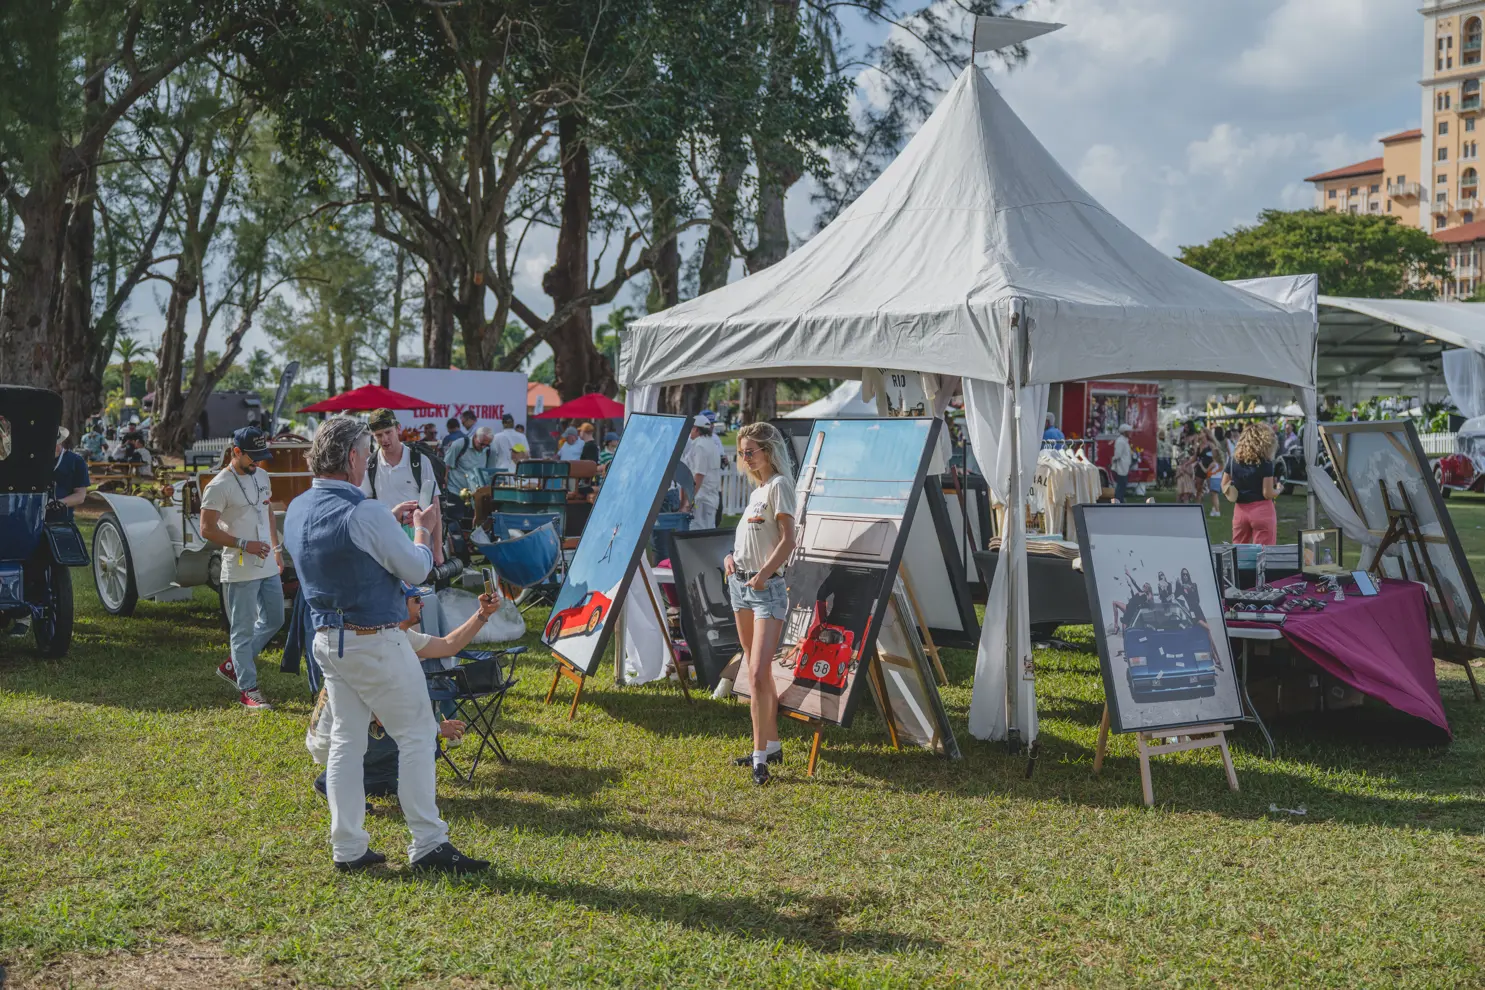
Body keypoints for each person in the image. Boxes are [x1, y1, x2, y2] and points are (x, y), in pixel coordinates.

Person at [283, 415, 487, 874]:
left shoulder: (298, 507)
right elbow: (417, 568)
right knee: (417, 735)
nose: (367, 460)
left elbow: (337, 553)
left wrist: (386, 525)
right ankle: (429, 844)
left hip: (328, 638)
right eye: (364, 452)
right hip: (373, 638)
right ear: (352, 458)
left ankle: (348, 846)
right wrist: (421, 529)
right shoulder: (366, 511)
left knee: (346, 741)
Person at [309, 584, 503, 801]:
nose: (423, 605)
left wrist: (483, 614)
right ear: (397, 606)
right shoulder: (375, 645)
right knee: (424, 741)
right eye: (416, 600)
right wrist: (436, 729)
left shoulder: (395, 633)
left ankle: (376, 780)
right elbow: (384, 716)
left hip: (352, 730)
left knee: (424, 740)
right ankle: (331, 782)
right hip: (337, 740)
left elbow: (448, 645)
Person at [723, 422, 797, 786]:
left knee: (755, 672)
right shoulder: (758, 490)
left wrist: (764, 574)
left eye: (750, 451)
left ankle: (759, 758)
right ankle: (772, 746)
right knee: (758, 672)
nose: (746, 458)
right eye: (742, 453)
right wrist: (730, 557)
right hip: (740, 585)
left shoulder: (779, 485)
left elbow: (789, 540)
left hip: (766, 589)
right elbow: (751, 539)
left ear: (769, 451)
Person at [198, 428, 285, 709]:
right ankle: (248, 689)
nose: (257, 462)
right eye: (252, 457)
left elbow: (267, 510)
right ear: (236, 452)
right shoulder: (218, 486)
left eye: (261, 456)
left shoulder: (262, 475)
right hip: (239, 567)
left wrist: (276, 549)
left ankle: (234, 664)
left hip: (267, 561)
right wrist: (243, 544)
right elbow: (206, 529)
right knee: (242, 630)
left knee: (275, 619)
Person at [360, 408, 444, 565]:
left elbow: (434, 506)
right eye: (379, 435)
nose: (384, 439)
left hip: (418, 540)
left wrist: (438, 549)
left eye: (388, 432)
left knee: (420, 581)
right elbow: (365, 506)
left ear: (398, 428)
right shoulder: (370, 465)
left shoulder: (419, 461)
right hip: (385, 543)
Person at [1224, 421, 1279, 545]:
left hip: (1240, 510)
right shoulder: (1266, 463)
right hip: (1262, 510)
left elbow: (1224, 484)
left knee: (1238, 550)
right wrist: (1279, 490)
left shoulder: (1233, 460)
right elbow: (1267, 493)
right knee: (1264, 552)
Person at [682, 415, 722, 529]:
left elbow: (699, 475)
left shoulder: (699, 446)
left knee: (697, 531)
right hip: (710, 497)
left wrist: (688, 501)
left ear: (696, 429)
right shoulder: (712, 444)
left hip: (701, 499)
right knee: (708, 530)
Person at [445, 426, 497, 493]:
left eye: (487, 445)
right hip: (456, 490)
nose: (483, 447)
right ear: (475, 436)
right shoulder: (459, 445)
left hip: (477, 492)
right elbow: (446, 465)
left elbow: (491, 472)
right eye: (481, 444)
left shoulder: (491, 449)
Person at [52, 428, 90, 520]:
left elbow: (80, 496)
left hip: (61, 520)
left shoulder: (76, 461)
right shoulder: (34, 461)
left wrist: (57, 504)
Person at [1110, 423, 1134, 503]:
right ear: (1124, 432)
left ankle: (1120, 500)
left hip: (1124, 467)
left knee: (1123, 485)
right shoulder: (1120, 441)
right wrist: (1113, 460)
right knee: (1120, 485)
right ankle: (1118, 500)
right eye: (1128, 431)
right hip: (1121, 467)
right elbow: (1118, 455)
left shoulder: (1124, 441)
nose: (1130, 433)